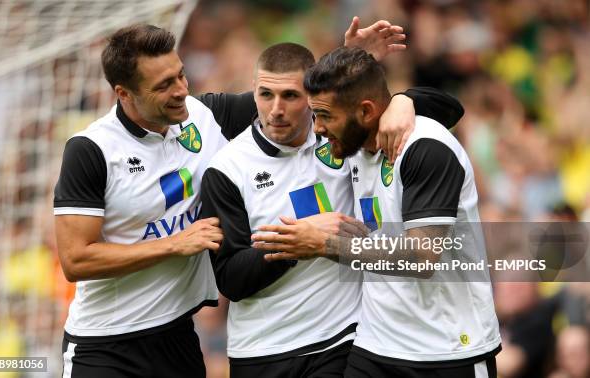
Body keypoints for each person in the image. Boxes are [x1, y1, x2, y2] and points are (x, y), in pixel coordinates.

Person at [53, 21, 424, 377]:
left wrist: (361, 68)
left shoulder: (201, 114)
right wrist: (172, 245)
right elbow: (75, 259)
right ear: (124, 93)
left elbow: (289, 97)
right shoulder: (91, 150)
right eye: (164, 85)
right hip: (105, 343)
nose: (182, 90)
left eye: (181, 75)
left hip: (178, 334)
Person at [200, 42, 465, 378]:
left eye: (291, 96)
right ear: (253, 92)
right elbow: (231, 280)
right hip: (263, 348)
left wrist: (404, 100)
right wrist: (295, 243)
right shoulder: (227, 168)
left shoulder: (340, 138)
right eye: (266, 94)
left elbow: (448, 109)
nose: (276, 110)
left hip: (344, 339)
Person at [253, 47, 501, 378]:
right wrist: (404, 98)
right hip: (375, 345)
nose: (318, 129)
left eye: (326, 116)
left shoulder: (426, 148)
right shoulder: (352, 143)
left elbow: (422, 257)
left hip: (447, 349)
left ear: (367, 112)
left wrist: (324, 245)